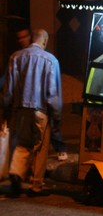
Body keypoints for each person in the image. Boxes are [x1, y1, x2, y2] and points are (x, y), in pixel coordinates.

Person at [3, 29, 62, 197]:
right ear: (45, 41)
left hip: (20, 109)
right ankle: (36, 185)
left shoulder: (16, 57)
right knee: (40, 147)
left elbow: (9, 89)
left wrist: (6, 110)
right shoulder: (51, 61)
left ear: (31, 40)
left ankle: (16, 172)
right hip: (41, 110)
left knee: (22, 143)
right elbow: (53, 93)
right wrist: (56, 116)